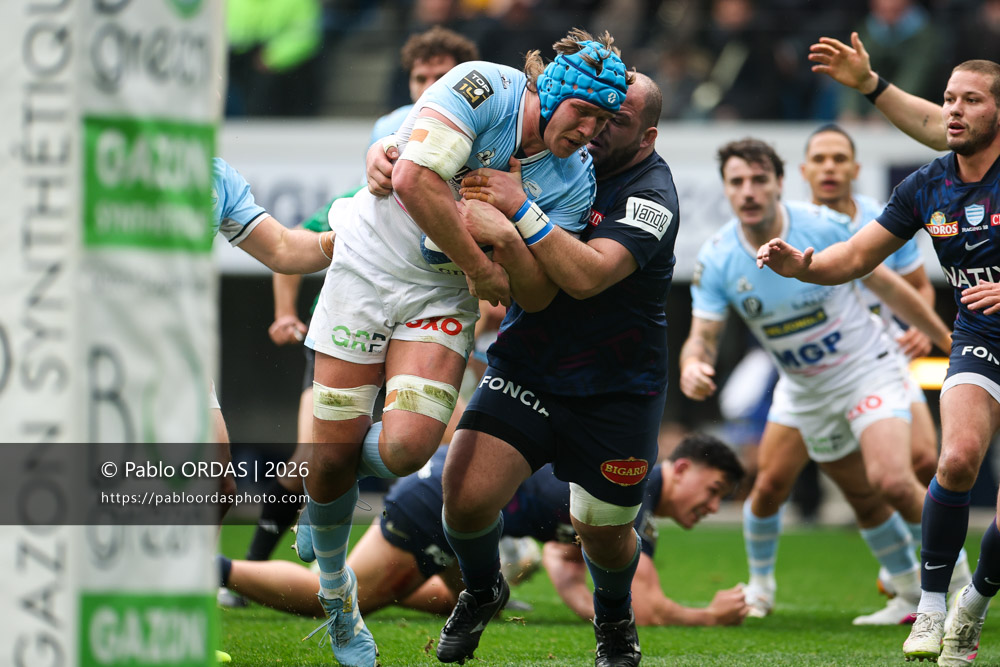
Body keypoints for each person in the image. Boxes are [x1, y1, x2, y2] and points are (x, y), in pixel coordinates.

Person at [298, 28, 630, 667]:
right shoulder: (485, 87)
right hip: (368, 266)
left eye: (603, 119)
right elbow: (415, 182)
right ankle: (340, 606)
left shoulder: (574, 180)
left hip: (439, 292)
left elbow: (535, 296)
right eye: (583, 112)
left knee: (405, 451)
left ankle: (326, 481)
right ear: (550, 93)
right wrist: (483, 265)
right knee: (334, 452)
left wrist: (510, 230)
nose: (590, 129)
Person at [393, 70, 676, 667]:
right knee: (464, 499)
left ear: (646, 135)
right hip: (530, 366)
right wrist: (378, 154)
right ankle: (480, 588)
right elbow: (420, 151)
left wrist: (518, 210)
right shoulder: (538, 145)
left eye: (615, 121)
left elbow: (589, 276)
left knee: (598, 528)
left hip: (616, 385)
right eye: (592, 112)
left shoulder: (652, 195)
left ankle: (615, 622)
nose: (596, 127)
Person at [760, 57, 1000, 666]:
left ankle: (973, 606)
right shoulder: (927, 185)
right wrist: (803, 266)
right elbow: (856, 256)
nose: (953, 110)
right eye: (949, 98)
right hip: (982, 338)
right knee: (956, 458)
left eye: (972, 100)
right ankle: (929, 605)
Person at [680, 138, 954, 627]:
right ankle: (902, 590)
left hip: (866, 367)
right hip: (804, 389)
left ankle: (956, 588)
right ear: (725, 189)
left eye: (759, 180)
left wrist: (945, 339)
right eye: (737, 182)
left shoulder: (823, 225)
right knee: (820, 493)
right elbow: (701, 338)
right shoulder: (718, 257)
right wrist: (693, 366)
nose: (749, 191)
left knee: (894, 478)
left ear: (781, 183)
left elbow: (887, 284)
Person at [222, 434, 749, 626]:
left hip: (456, 507)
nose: (712, 504)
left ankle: (398, 583)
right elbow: (649, 610)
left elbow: (571, 571)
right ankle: (215, 569)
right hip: (438, 503)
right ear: (681, 468)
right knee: (331, 599)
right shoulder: (629, 493)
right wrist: (711, 616)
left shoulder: (634, 492)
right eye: (715, 488)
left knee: (488, 598)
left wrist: (587, 603)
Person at [800, 124, 975, 594]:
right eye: (820, 159)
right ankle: (900, 576)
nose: (830, 168)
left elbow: (915, 287)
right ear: (804, 171)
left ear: (856, 169)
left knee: (913, 466)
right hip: (809, 372)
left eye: (840, 158)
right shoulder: (791, 225)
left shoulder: (883, 217)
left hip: (880, 360)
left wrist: (925, 330)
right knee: (774, 480)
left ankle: (936, 579)